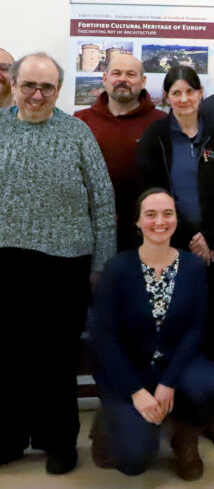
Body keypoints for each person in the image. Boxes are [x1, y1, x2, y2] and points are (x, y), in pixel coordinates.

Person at [0, 52, 115, 474]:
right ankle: (9, 438)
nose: (36, 94)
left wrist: (101, 262)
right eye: (29, 84)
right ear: (13, 85)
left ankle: (58, 443)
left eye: (46, 87)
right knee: (8, 357)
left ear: (58, 91)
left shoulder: (77, 132)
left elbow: (102, 201)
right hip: (7, 261)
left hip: (65, 264)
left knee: (57, 358)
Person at [89, 189, 214, 481]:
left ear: (177, 220)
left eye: (168, 213)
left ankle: (185, 438)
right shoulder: (117, 268)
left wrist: (168, 383)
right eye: (151, 214)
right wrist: (137, 392)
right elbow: (103, 338)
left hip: (172, 367)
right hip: (129, 373)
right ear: (137, 222)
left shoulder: (193, 267)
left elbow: (195, 329)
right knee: (134, 459)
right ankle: (108, 423)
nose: (160, 221)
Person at [137, 66, 214, 449]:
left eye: (190, 91)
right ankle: (182, 416)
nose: (184, 99)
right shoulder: (155, 137)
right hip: (173, 249)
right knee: (181, 331)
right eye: (176, 92)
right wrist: (188, 236)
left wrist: (210, 237)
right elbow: (150, 194)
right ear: (166, 97)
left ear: (201, 95)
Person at [75, 53, 165, 250]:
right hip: (92, 233)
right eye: (116, 73)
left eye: (131, 74)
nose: (123, 79)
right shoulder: (80, 122)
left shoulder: (162, 123)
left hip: (148, 233)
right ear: (105, 79)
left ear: (143, 81)